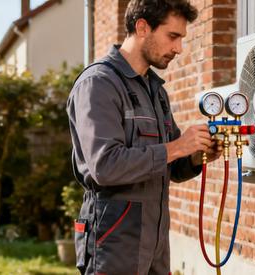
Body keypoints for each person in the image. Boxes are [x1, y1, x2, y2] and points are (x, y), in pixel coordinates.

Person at [66, 1, 221, 274]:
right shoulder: (99, 84)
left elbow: (172, 166)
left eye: (181, 39)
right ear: (142, 28)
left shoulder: (156, 91)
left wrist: (197, 155)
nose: (178, 48)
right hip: (113, 240)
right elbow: (105, 167)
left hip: (156, 241)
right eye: (172, 36)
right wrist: (177, 146)